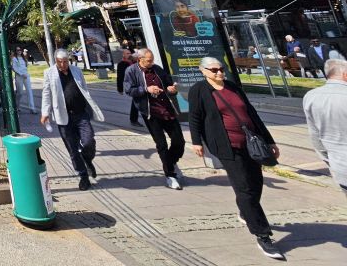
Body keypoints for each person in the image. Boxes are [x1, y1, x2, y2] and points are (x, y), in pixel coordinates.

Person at [188, 57, 283, 260]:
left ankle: (245, 211)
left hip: (250, 143)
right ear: (203, 71)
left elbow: (252, 114)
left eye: (221, 69)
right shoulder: (199, 90)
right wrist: (196, 142)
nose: (219, 73)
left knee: (256, 184)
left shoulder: (232, 87)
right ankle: (262, 234)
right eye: (214, 70)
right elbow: (195, 117)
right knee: (245, 188)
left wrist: (270, 141)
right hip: (226, 146)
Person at [40, 48, 105, 191]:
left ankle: (87, 159)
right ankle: (83, 176)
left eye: (65, 62)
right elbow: (46, 94)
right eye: (60, 62)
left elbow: (84, 89)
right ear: (55, 61)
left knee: (89, 141)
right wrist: (45, 113)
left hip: (81, 114)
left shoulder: (76, 71)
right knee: (73, 150)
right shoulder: (49, 73)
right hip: (64, 117)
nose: (63, 65)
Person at [124, 49, 185, 189]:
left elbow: (169, 83)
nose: (151, 63)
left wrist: (172, 89)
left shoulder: (157, 69)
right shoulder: (131, 71)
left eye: (152, 60)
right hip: (151, 113)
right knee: (161, 144)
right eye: (148, 60)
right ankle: (170, 175)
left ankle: (170, 162)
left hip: (167, 109)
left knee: (179, 141)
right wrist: (146, 89)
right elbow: (128, 90)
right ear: (140, 59)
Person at [302, 58, 347, 193]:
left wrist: (330, 162)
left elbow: (315, 137)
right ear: (345, 74)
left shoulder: (311, 96)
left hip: (340, 168)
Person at [116, 49, 141, 127]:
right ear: (123, 55)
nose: (129, 54)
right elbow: (119, 77)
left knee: (138, 101)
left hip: (139, 84)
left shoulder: (135, 62)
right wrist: (120, 89)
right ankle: (133, 119)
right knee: (136, 101)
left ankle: (134, 119)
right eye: (127, 53)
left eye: (130, 53)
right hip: (131, 85)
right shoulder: (121, 64)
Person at [10, 47, 37, 114]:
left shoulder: (24, 58)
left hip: (26, 76)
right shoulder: (14, 59)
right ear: (16, 51)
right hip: (19, 77)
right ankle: (17, 106)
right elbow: (14, 68)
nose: (19, 51)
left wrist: (25, 73)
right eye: (17, 50)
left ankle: (32, 108)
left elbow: (26, 66)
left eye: (20, 50)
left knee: (29, 91)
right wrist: (22, 74)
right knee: (20, 93)